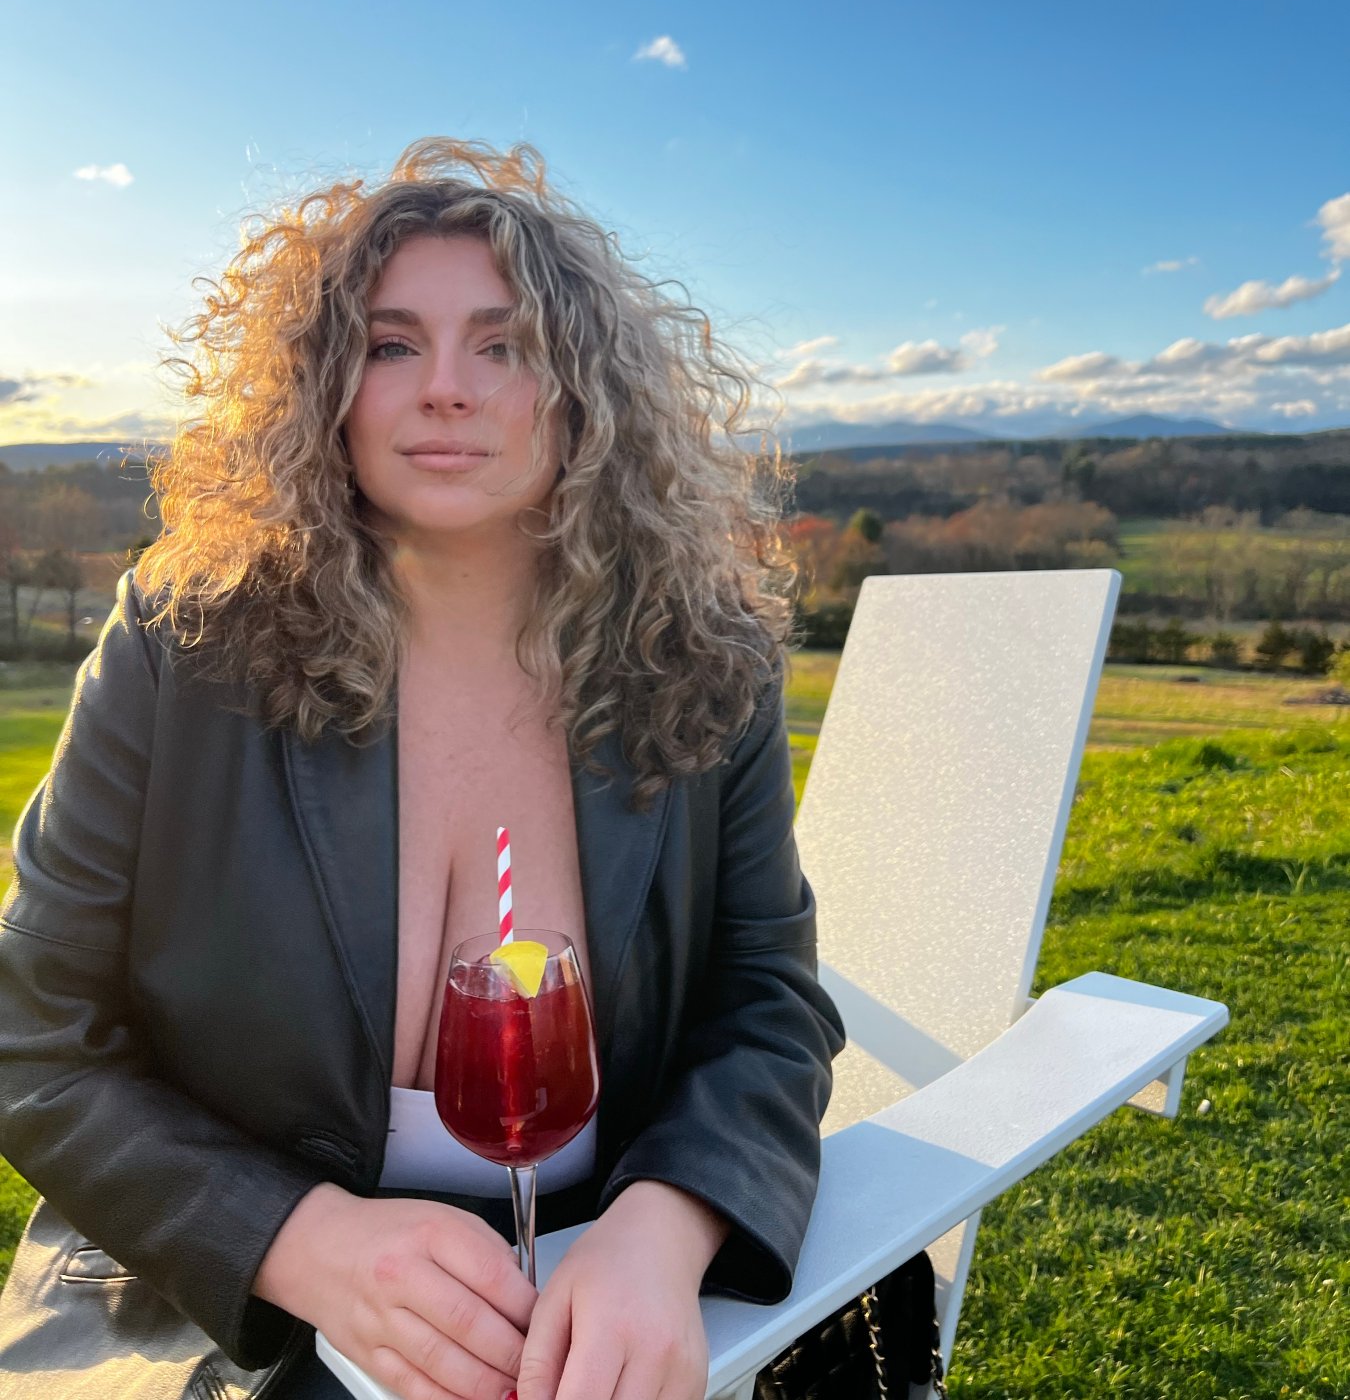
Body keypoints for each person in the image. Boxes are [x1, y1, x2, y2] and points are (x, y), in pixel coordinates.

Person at [0, 136, 847, 1400]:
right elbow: (31, 1031)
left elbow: (770, 1000)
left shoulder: (704, 661)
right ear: (325, 388)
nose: (447, 389)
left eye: (505, 346)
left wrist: (663, 1227)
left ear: (585, 392)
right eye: (392, 345)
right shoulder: (183, 647)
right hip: (215, 1309)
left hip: (590, 1304)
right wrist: (299, 1241)